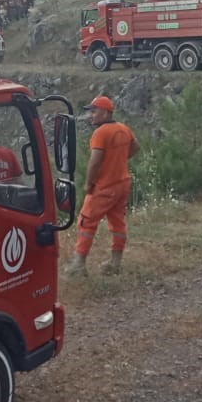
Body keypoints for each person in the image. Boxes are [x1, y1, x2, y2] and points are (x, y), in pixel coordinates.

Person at [73, 95, 138, 275]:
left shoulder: (100, 133)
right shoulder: (124, 129)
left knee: (86, 222)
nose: (91, 115)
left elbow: (94, 163)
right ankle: (115, 263)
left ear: (105, 112)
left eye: (94, 111)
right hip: (123, 183)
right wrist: (117, 161)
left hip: (105, 186)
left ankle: (78, 266)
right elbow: (135, 147)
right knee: (117, 222)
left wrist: (88, 184)